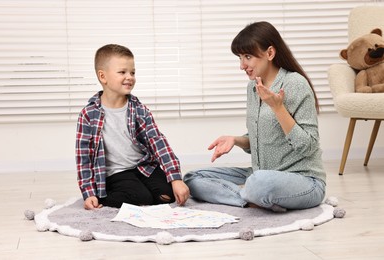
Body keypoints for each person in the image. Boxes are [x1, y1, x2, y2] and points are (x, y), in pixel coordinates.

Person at [183, 21, 326, 211]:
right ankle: (251, 198)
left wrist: (278, 108)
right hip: (261, 174)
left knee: (259, 183)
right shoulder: (252, 88)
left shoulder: (295, 84)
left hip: (304, 180)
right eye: (240, 57)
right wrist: (235, 140)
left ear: (270, 53)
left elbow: (308, 146)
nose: (242, 65)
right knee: (193, 178)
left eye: (248, 56)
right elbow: (261, 140)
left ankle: (254, 194)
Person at [76, 44, 189, 210]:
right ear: (103, 76)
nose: (129, 77)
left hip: (143, 167)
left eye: (132, 72)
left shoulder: (138, 109)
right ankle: (105, 196)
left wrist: (175, 178)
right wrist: (88, 192)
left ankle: (142, 195)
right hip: (116, 173)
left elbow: (158, 143)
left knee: (168, 194)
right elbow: (83, 159)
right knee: (140, 197)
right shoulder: (88, 114)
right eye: (122, 72)